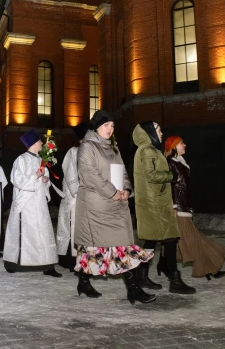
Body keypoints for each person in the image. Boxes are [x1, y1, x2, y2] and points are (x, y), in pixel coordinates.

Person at [73, 111, 155, 303]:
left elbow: (123, 172)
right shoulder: (87, 148)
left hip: (116, 205)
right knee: (97, 247)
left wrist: (126, 189)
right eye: (105, 125)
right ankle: (91, 282)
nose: (110, 129)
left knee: (122, 244)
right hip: (95, 207)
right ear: (96, 127)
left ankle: (130, 288)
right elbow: (90, 175)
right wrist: (112, 192)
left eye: (112, 125)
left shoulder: (114, 148)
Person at [133, 121, 196, 294]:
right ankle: (173, 280)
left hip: (158, 201)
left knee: (158, 240)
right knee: (168, 239)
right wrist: (172, 175)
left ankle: (143, 275)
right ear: (150, 132)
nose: (161, 133)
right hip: (155, 204)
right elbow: (150, 175)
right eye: (159, 130)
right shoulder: (147, 150)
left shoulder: (151, 150)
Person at [164, 136, 225, 279]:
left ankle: (164, 265)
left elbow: (184, 187)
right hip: (178, 208)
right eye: (182, 143)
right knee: (192, 240)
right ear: (174, 146)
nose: (185, 145)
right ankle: (208, 267)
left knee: (183, 241)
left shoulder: (181, 163)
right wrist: (174, 206)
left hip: (184, 206)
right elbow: (170, 186)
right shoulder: (171, 163)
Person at [3, 129, 62, 277]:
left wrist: (45, 180)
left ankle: (48, 265)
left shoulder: (41, 160)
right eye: (39, 141)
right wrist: (36, 176)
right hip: (26, 203)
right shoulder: (21, 160)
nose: (42, 143)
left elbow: (44, 178)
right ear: (34, 143)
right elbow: (17, 180)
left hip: (39, 202)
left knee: (43, 232)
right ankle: (15, 263)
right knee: (28, 233)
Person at [56, 122, 89, 271]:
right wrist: (78, 190)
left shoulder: (90, 151)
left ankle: (84, 258)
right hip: (74, 196)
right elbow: (69, 172)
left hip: (87, 196)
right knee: (72, 227)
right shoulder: (73, 151)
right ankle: (69, 260)